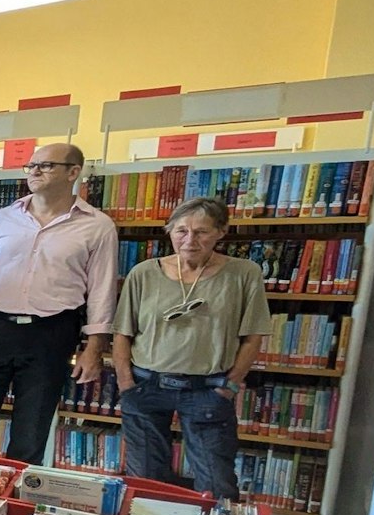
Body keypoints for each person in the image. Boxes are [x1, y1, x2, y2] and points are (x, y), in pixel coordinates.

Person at [0, 143, 118, 463]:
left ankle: (13, 501)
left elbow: (102, 291)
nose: (34, 172)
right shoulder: (3, 218)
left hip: (50, 333)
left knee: (31, 427)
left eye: (46, 165)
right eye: (31, 165)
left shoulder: (98, 226)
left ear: (73, 172)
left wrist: (94, 347)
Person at [112, 198, 269, 499]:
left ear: (221, 232)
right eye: (181, 230)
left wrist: (231, 385)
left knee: (217, 482)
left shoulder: (244, 274)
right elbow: (122, 332)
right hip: (146, 386)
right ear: (169, 231)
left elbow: (253, 336)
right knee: (143, 482)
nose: (189, 240)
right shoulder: (143, 273)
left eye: (202, 232)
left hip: (207, 390)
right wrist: (125, 383)